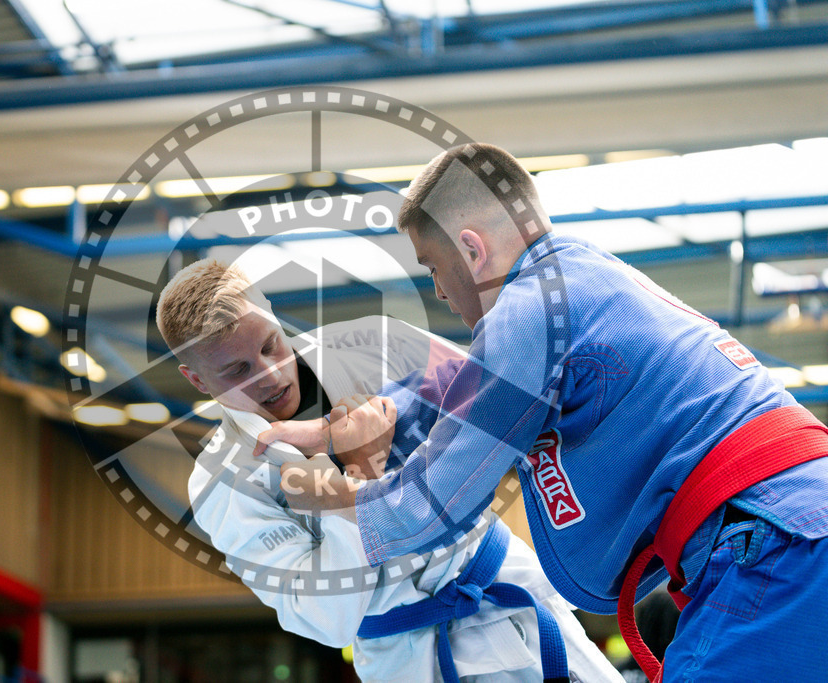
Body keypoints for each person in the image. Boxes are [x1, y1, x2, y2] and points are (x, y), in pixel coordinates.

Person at [257, 143, 828, 682]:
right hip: (797, 520)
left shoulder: (529, 312)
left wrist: (327, 492)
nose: (439, 292)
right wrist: (330, 430)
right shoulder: (585, 275)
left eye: (432, 268)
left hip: (776, 544)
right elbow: (464, 385)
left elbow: (430, 504)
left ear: (472, 251)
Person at [157, 258, 624, 682]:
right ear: (197, 380)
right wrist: (362, 474)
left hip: (505, 587)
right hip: (410, 656)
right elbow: (327, 619)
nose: (271, 376)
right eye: (237, 370)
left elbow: (508, 400)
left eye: (269, 345)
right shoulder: (225, 482)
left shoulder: (378, 344)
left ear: (273, 314)